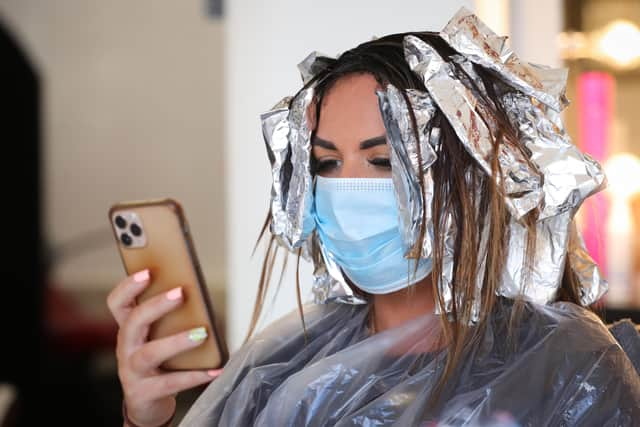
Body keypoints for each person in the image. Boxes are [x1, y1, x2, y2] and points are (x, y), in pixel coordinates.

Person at [107, 8, 640, 427]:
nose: (347, 190)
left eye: (384, 161)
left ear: (471, 179)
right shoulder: (283, 362)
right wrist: (147, 418)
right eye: (326, 163)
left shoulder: (569, 367)